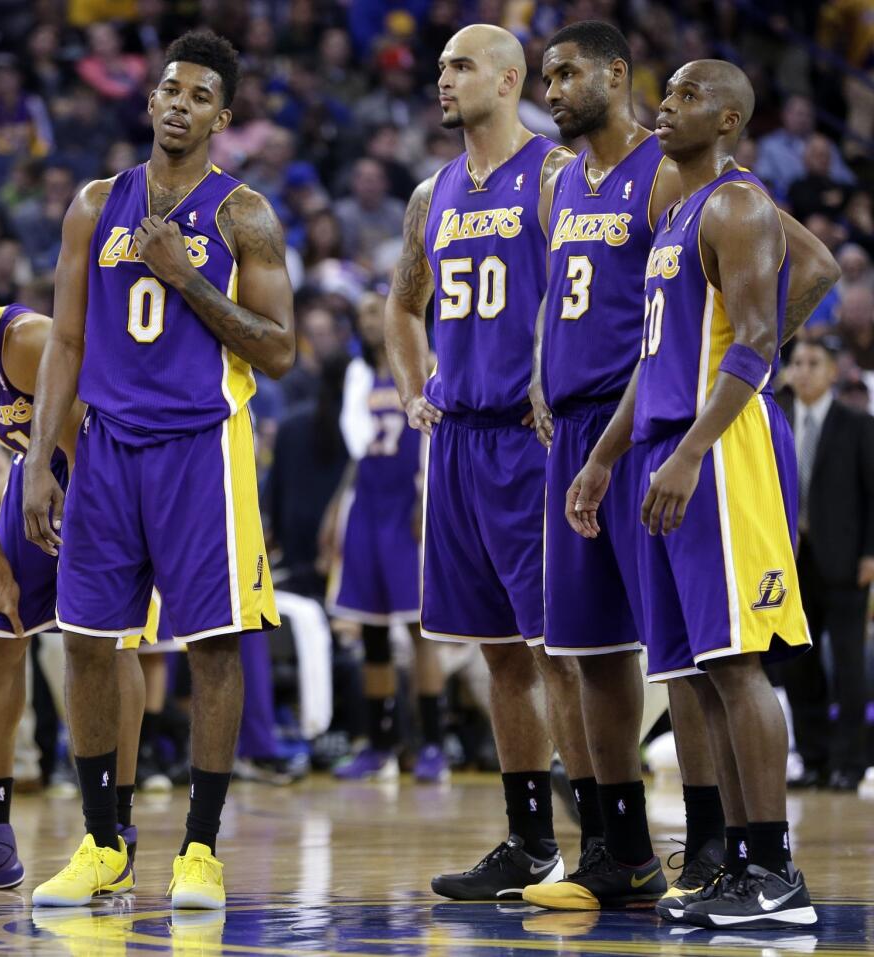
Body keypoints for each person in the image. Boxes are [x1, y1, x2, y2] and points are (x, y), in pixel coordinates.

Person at [524, 21, 839, 912]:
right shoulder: (674, 217)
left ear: (731, 118)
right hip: (659, 442)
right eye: (668, 95)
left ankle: (776, 872)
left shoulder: (738, 204)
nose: (669, 106)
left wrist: (695, 446)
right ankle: (738, 862)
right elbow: (655, 363)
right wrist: (603, 459)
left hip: (718, 448)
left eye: (689, 96)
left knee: (739, 660)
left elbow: (757, 346)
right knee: (698, 668)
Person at [22, 31, 294, 910]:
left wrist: (188, 281)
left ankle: (201, 848)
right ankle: (104, 841)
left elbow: (282, 350)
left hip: (200, 450)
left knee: (213, 646)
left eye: (200, 93)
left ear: (224, 115)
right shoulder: (94, 204)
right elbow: (64, 340)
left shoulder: (242, 214)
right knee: (88, 642)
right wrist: (38, 458)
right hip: (103, 447)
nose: (180, 102)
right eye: (169, 88)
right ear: (150, 102)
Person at [384, 24, 597, 901]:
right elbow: (401, 309)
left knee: (564, 650)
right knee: (501, 652)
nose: (443, 78)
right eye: (439, 67)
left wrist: (559, 377)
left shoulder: (554, 174)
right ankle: (528, 840)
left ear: (510, 81)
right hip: (459, 442)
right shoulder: (429, 192)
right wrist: (410, 389)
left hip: (529, 435)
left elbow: (592, 285)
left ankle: (608, 837)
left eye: (460, 65)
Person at [0, 252, 150, 891]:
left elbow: (78, 443)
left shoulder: (28, 341)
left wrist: (85, 531)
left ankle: (114, 832)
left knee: (102, 641)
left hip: (108, 468)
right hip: (31, 473)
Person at [325, 290, 447, 783]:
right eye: (363, 315)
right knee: (371, 629)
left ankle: (434, 743)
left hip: (408, 504)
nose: (368, 321)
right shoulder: (358, 376)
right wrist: (336, 512)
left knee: (420, 629)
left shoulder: (432, 364)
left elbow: (436, 440)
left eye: (376, 311)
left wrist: (428, 501)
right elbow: (356, 449)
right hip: (367, 505)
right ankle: (379, 744)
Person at [777, 338, 874, 792]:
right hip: (789, 561)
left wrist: (871, 553)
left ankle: (848, 762)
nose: (803, 370)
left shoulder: (858, 423)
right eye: (797, 362)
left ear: (834, 372)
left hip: (846, 559)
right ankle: (813, 759)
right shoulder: (774, 420)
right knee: (798, 663)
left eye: (814, 363)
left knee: (850, 666)